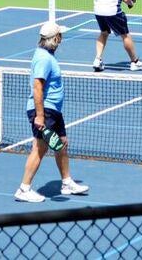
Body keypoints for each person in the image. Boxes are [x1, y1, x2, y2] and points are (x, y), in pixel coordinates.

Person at [15, 22, 91, 203]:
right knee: (39, 148)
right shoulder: (44, 59)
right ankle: (24, 189)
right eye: (60, 36)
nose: (62, 39)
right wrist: (40, 116)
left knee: (62, 143)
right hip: (44, 110)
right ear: (55, 38)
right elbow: (37, 87)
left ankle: (66, 183)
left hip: (53, 110)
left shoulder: (47, 56)